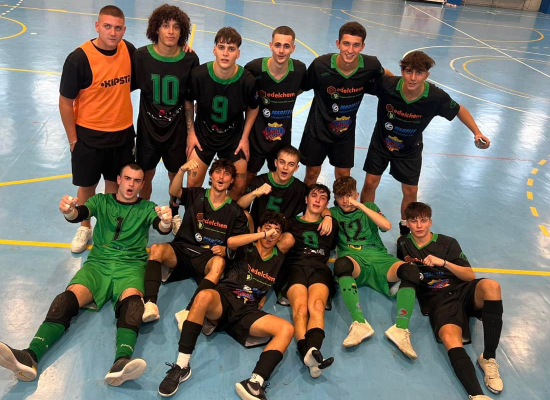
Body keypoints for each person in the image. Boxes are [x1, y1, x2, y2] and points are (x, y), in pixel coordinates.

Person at [0, 163, 172, 385]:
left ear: (142, 184)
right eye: (127, 179)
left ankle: (121, 362)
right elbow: (79, 213)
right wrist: (69, 211)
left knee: (133, 304)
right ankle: (30, 356)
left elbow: (162, 227)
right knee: (66, 299)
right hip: (98, 264)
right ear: (119, 180)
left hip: (130, 266)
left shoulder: (147, 207)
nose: (131, 184)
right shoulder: (101, 201)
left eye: (137, 180)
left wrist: (166, 222)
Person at [157, 212, 294, 400]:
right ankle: (181, 366)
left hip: (247, 312)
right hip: (225, 299)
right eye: (267, 228)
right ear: (259, 230)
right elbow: (230, 242)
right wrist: (262, 235)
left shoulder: (279, 259)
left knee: (287, 328)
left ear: (280, 237)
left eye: (276, 231)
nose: (271, 234)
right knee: (203, 295)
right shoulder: (246, 246)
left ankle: (255, 382)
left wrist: (263, 296)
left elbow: (269, 279)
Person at [360, 51, 491, 236]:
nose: (413, 78)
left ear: (427, 75)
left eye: (419, 73)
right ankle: (365, 225)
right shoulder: (388, 85)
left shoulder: (435, 97)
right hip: (381, 143)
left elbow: (459, 109)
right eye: (408, 71)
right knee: (370, 182)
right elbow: (361, 80)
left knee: (410, 191)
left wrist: (477, 132)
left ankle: (405, 233)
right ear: (402, 71)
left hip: (410, 149)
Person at [397, 202, 503, 400]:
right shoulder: (403, 244)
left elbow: (469, 275)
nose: (419, 225)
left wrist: (444, 262)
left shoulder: (448, 243)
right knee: (450, 339)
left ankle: (488, 358)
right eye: (414, 221)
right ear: (407, 223)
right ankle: (477, 395)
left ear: (430, 222)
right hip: (437, 299)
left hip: (462, 290)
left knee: (492, 286)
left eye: (423, 220)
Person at [59, 5, 136, 253]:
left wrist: (182, 48)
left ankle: (106, 227)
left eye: (118, 28)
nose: (113, 33)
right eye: (107, 26)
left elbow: (155, 59)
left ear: (124, 29)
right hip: (88, 135)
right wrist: (73, 139)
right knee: (87, 186)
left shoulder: (128, 50)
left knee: (114, 185)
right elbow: (65, 101)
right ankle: (85, 226)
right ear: (97, 26)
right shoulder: (79, 59)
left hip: (122, 134)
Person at [142, 159, 249, 326]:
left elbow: (240, 244)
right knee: (156, 249)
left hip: (207, 257)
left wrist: (226, 249)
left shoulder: (235, 212)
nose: (221, 177)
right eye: (218, 172)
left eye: (227, 174)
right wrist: (182, 170)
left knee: (219, 263)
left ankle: (189, 311)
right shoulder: (197, 194)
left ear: (232, 180)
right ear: (211, 176)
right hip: (184, 249)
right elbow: (174, 191)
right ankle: (150, 304)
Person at [330, 176, 419, 358]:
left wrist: (360, 205)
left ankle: (400, 329)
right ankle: (359, 323)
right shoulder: (332, 213)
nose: (345, 201)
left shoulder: (369, 207)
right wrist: (325, 216)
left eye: (348, 196)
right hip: (355, 260)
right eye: (340, 197)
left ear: (356, 195)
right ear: (335, 198)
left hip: (379, 258)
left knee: (411, 271)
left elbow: (386, 226)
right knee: (341, 264)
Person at [133, 4, 199, 235]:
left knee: (175, 175)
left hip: (176, 132)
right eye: (165, 25)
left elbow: (189, 99)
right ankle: (143, 214)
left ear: (182, 32)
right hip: (148, 130)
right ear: (156, 29)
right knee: (145, 175)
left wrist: (191, 131)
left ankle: (175, 214)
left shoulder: (190, 59)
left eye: (176, 27)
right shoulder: (140, 56)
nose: (170, 31)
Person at [299, 21, 389, 186]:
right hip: (317, 128)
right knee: (312, 173)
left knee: (343, 176)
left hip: (345, 131)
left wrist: (402, 88)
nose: (350, 50)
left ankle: (341, 203)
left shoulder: (371, 65)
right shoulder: (321, 65)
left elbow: (387, 76)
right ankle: (305, 202)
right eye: (346, 44)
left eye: (356, 45)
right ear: (338, 43)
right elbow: (301, 87)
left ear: (362, 46)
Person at [185, 27, 259, 200]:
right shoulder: (199, 75)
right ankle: (197, 214)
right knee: (192, 183)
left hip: (233, 138)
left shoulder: (247, 80)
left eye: (231, 49)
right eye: (221, 47)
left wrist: (245, 138)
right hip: (203, 135)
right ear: (214, 50)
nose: (225, 53)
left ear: (238, 54)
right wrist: (191, 133)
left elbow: (253, 107)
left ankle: (225, 215)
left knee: (239, 185)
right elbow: (188, 101)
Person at [284, 184, 338, 378]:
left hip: (319, 269)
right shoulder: (291, 222)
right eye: (314, 195)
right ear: (306, 199)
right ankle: (310, 356)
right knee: (300, 308)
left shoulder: (331, 224)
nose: (317, 200)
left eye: (322, 198)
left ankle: (312, 354)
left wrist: (328, 217)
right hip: (295, 267)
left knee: (317, 306)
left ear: (326, 204)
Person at [244, 26, 306, 186]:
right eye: (277, 45)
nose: (281, 51)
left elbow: (300, 89)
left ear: (293, 48)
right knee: (248, 178)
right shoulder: (254, 69)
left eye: (286, 46)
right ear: (271, 45)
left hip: (281, 139)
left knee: (278, 179)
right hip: (255, 137)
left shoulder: (299, 70)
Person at [238, 145, 307, 230]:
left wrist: (324, 216)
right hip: (258, 230)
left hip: (282, 233)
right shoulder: (260, 181)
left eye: (291, 164)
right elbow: (240, 205)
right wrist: (255, 192)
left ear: (296, 168)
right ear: (276, 163)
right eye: (282, 162)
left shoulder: (300, 189)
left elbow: (315, 207)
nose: (285, 167)